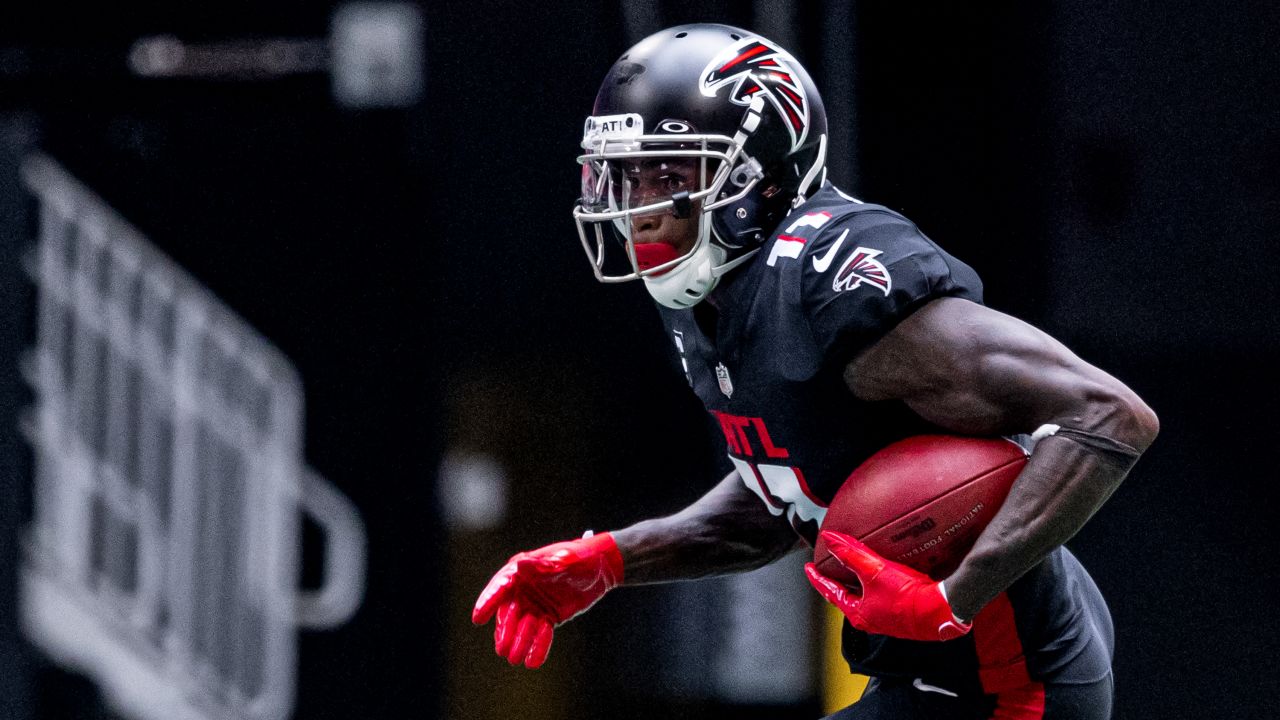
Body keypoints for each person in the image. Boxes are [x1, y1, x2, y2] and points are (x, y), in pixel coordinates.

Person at [472, 23, 1158, 719]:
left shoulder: (829, 278)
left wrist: (954, 597)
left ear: (759, 178)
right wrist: (613, 560)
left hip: (1013, 680)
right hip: (928, 680)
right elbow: (783, 498)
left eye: (670, 176)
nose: (641, 208)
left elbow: (1109, 414)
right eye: (626, 175)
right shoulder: (714, 289)